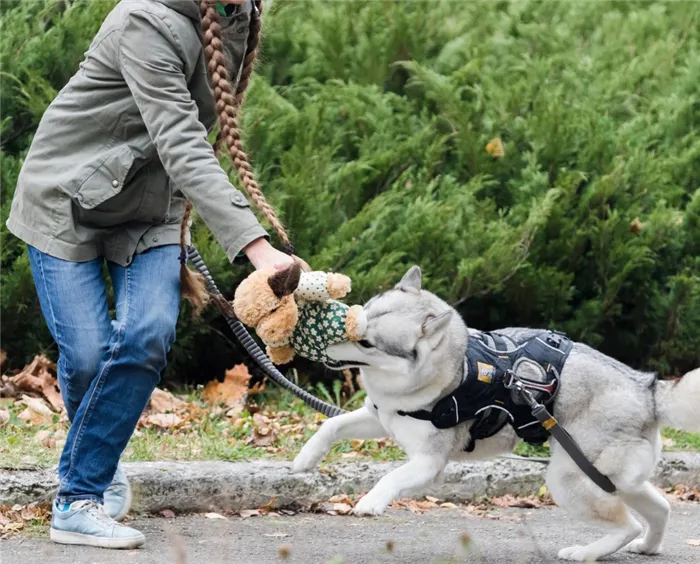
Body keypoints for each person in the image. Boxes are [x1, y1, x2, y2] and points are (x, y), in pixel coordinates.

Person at [5, 0, 294, 549]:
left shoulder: (239, 17)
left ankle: (77, 496)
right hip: (66, 202)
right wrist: (259, 250)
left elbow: (190, 144)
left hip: (151, 211)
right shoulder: (144, 21)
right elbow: (183, 142)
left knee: (147, 334)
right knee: (88, 354)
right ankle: (95, 465)